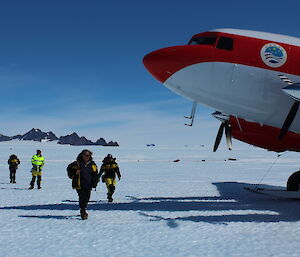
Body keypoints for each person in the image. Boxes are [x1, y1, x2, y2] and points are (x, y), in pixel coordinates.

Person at [67, 150, 99, 220]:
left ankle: (83, 209)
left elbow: (95, 174)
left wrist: (95, 182)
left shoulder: (92, 164)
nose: (87, 157)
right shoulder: (77, 164)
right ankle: (83, 211)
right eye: (86, 155)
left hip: (89, 184)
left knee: (87, 198)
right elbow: (69, 169)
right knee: (82, 197)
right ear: (82, 155)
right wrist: (75, 172)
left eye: (88, 155)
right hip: (79, 184)